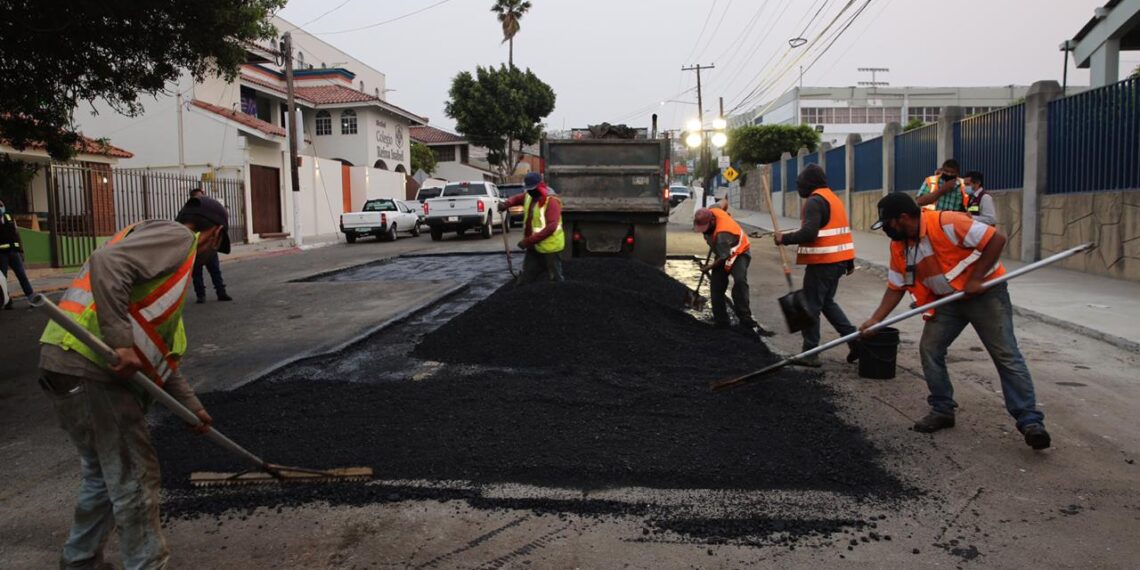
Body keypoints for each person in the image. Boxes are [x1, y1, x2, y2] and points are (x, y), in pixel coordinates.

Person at [38, 196, 228, 568]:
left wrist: (192, 409)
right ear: (214, 233)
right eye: (216, 248)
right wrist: (121, 343)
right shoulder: (179, 237)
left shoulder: (159, 284)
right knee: (136, 477)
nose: (210, 257)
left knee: (103, 475)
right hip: (92, 367)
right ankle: (145, 563)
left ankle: (80, 561)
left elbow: (162, 361)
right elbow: (106, 262)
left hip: (62, 361)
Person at [859, 192, 1050, 450]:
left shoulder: (947, 222)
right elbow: (896, 287)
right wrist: (875, 320)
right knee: (930, 349)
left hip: (985, 296)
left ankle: (1030, 421)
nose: (886, 230)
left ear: (902, 218)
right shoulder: (900, 246)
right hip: (947, 301)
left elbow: (996, 239)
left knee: (1005, 354)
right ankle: (942, 409)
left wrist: (976, 278)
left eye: (888, 224)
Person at [774, 165, 859, 367]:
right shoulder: (832, 198)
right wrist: (849, 261)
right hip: (837, 262)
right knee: (827, 303)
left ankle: (810, 353)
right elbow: (838, 231)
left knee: (811, 306)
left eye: (800, 184)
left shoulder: (814, 201)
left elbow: (809, 233)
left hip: (823, 263)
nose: (798, 188)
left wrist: (783, 238)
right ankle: (855, 341)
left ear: (809, 183)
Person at [693, 205, 773, 339]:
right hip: (723, 251)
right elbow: (722, 203)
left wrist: (709, 267)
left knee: (740, 281)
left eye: (704, 227)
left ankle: (745, 319)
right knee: (716, 286)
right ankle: (721, 321)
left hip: (739, 251)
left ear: (712, 221)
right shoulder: (714, 210)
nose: (703, 231)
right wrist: (725, 209)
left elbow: (724, 257)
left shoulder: (722, 233)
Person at [498, 172, 564, 284]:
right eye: (528, 189)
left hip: (550, 248)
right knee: (526, 277)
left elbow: (551, 227)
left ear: (540, 186)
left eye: (531, 189)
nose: (529, 192)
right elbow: (518, 198)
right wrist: (506, 204)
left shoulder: (551, 201)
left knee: (555, 279)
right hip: (533, 246)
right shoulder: (529, 196)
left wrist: (528, 241)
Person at [189, 188, 232, 303]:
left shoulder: (209, 210)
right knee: (197, 273)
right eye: (199, 197)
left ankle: (221, 293)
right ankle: (201, 295)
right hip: (196, 247)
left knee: (215, 270)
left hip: (209, 246)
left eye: (202, 196)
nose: (201, 199)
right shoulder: (189, 212)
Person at [0, 198, 36, 309]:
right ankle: (7, 301)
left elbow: (17, 234)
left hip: (14, 252)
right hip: (1, 254)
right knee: (3, 279)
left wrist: (21, 250)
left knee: (22, 275)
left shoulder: (9, 217)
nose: (0, 208)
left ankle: (32, 298)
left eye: (1, 205)